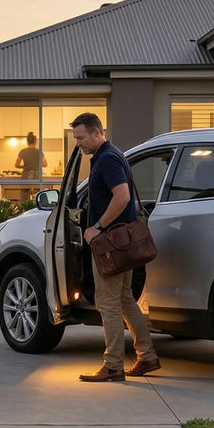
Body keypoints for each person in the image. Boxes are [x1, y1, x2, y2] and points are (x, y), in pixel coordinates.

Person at [70, 112, 160, 381]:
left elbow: (121, 196)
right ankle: (147, 356)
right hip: (123, 244)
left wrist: (97, 227)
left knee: (107, 303)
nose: (78, 144)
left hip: (110, 244)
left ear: (97, 132)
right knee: (124, 299)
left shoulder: (107, 159)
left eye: (81, 138)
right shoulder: (113, 154)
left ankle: (113, 365)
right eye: (76, 138)